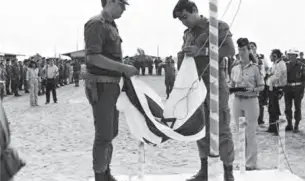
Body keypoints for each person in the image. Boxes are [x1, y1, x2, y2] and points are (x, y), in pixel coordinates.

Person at [173, 0, 235, 180]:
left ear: (194, 10)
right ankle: (204, 169)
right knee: (200, 127)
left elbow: (229, 50)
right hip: (195, 84)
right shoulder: (188, 34)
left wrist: (202, 51)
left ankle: (228, 171)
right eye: (180, 20)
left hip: (215, 83)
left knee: (221, 126)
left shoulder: (217, 26)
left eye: (185, 17)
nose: (184, 22)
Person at [83, 0, 138, 180]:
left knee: (111, 132)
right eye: (122, 5)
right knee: (104, 134)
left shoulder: (111, 26)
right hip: (101, 85)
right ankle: (100, 175)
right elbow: (93, 58)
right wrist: (122, 68)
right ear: (112, 1)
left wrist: (121, 68)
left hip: (111, 85)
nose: (123, 9)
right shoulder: (96, 24)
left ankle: (106, 171)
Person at [230, 38, 264, 170]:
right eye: (239, 50)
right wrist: (229, 88)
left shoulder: (255, 68)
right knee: (240, 133)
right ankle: (241, 161)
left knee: (250, 133)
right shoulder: (235, 68)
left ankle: (251, 163)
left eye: (244, 50)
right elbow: (231, 84)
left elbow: (261, 86)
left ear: (249, 51)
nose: (241, 52)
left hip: (251, 101)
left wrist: (253, 89)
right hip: (238, 100)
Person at [266, 49, 287, 135]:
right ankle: (272, 127)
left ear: (275, 56)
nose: (270, 57)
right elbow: (270, 73)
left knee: (275, 109)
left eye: (271, 55)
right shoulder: (275, 64)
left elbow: (276, 76)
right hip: (272, 88)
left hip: (277, 89)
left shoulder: (281, 64)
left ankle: (277, 129)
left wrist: (268, 79)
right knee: (271, 108)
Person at [284, 49, 305, 133]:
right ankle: (289, 124)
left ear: (296, 56)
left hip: (298, 88)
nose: (290, 56)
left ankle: (296, 125)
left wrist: (302, 91)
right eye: (289, 55)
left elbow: (304, 80)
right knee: (288, 108)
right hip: (288, 88)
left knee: (297, 108)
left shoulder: (301, 66)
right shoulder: (285, 65)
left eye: (292, 55)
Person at [249, 42, 269, 125]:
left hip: (260, 82)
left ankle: (260, 120)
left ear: (256, 47)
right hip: (250, 82)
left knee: (260, 102)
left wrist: (263, 76)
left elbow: (267, 67)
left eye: (252, 46)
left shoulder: (261, 57)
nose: (251, 48)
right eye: (249, 47)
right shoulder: (246, 57)